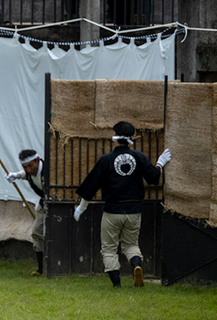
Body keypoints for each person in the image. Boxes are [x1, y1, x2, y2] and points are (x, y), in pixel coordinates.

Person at [73, 121, 171, 287]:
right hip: (134, 211)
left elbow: (91, 185)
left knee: (109, 249)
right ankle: (136, 265)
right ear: (131, 138)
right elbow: (154, 177)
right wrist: (160, 162)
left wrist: (81, 208)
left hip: (112, 211)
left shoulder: (106, 160)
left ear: (115, 137)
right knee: (131, 244)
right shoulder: (139, 157)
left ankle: (117, 284)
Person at [5, 148, 46, 275]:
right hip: (44, 203)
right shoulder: (28, 172)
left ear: (37, 160)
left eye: (30, 166)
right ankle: (41, 269)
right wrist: (16, 175)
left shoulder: (50, 170)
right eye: (25, 167)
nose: (28, 170)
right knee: (36, 232)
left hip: (58, 204)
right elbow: (24, 174)